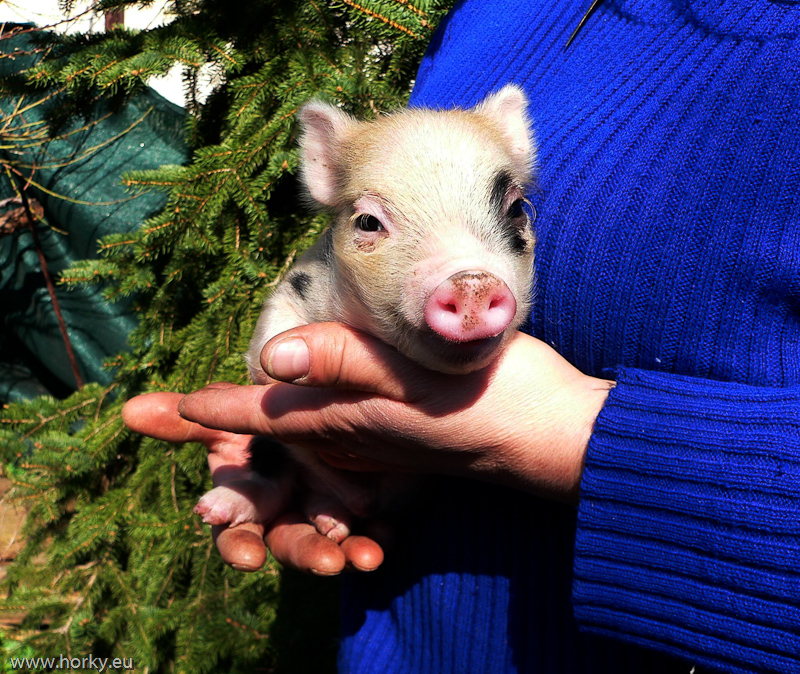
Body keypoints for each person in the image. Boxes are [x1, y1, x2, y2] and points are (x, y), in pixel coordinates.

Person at [123, 0, 800, 671]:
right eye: (371, 223)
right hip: (398, 628)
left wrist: (565, 435)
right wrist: (292, 451)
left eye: (512, 208)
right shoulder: (485, 11)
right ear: (324, 169)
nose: (468, 282)